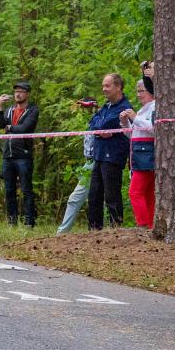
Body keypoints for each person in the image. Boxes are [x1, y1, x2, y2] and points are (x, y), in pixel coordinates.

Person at [86, 73, 132, 229]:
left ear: (118, 87)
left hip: (113, 156)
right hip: (99, 155)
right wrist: (101, 128)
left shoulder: (125, 108)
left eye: (107, 85)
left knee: (111, 195)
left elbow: (105, 124)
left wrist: (102, 127)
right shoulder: (106, 106)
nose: (103, 89)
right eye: (103, 86)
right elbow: (93, 123)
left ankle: (116, 228)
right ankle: (94, 229)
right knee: (94, 195)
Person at [0, 81, 39, 227]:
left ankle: (29, 222)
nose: (18, 94)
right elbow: (1, 125)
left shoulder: (33, 110)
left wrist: (10, 127)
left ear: (27, 94)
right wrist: (0, 107)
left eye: (21, 91)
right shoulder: (9, 110)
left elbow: (25, 128)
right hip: (8, 155)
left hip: (23, 155)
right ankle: (12, 221)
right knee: (9, 191)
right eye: (16, 92)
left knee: (26, 190)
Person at [56, 98, 98, 235]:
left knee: (76, 198)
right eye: (82, 108)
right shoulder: (89, 123)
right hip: (88, 163)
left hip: (97, 163)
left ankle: (62, 232)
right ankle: (64, 232)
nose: (84, 110)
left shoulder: (100, 120)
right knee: (86, 199)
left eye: (87, 107)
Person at [120, 76, 156, 228]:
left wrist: (135, 117)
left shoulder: (155, 107)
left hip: (147, 155)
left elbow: (154, 129)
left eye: (142, 91)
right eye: (137, 91)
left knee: (135, 192)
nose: (139, 94)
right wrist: (124, 122)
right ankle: (151, 225)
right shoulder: (143, 109)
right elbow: (132, 135)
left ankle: (142, 225)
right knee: (148, 194)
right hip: (139, 154)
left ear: (151, 91)